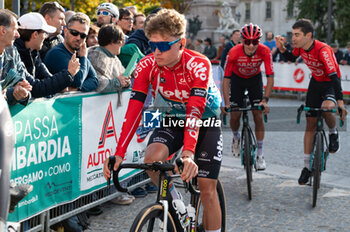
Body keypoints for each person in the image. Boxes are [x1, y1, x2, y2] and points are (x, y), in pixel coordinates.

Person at [103, 9, 223, 232]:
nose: (157, 51)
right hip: (171, 117)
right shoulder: (147, 65)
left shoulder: (199, 64)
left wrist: (188, 154)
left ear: (181, 43)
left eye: (164, 46)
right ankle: (176, 203)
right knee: (152, 160)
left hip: (203, 120)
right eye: (153, 44)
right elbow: (134, 111)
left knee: (207, 188)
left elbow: (194, 112)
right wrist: (118, 153)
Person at [275, 19, 348, 185]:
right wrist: (282, 49)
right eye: (293, 35)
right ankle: (307, 167)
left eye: (297, 35)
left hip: (329, 83)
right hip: (315, 84)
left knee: (327, 107)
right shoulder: (300, 47)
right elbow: (290, 57)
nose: (293, 38)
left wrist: (340, 103)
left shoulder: (323, 50)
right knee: (310, 124)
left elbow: (335, 78)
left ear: (308, 35)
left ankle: (333, 132)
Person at [222, 23, 274, 170]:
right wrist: (226, 103)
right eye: (247, 42)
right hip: (237, 80)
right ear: (242, 41)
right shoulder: (233, 52)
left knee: (257, 114)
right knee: (234, 115)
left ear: (259, 41)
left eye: (255, 42)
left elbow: (270, 77)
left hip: (254, 80)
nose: (251, 46)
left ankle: (260, 155)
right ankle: (236, 137)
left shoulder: (265, 51)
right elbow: (226, 80)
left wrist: (265, 100)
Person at [15, 12, 80, 95]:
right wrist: (69, 73)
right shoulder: (14, 53)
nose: (46, 37)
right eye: (45, 33)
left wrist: (64, 80)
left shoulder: (34, 53)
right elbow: (35, 88)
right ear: (35, 34)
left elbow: (47, 77)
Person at [44, 13, 98, 92]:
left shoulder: (81, 52)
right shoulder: (56, 53)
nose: (78, 38)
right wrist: (83, 58)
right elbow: (78, 81)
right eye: (74, 33)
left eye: (83, 36)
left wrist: (75, 89)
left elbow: (94, 81)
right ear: (66, 31)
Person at [88, 24, 131, 93]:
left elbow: (122, 79)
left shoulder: (113, 57)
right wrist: (118, 82)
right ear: (112, 41)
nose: (122, 45)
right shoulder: (96, 57)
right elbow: (99, 85)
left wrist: (126, 82)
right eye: (120, 41)